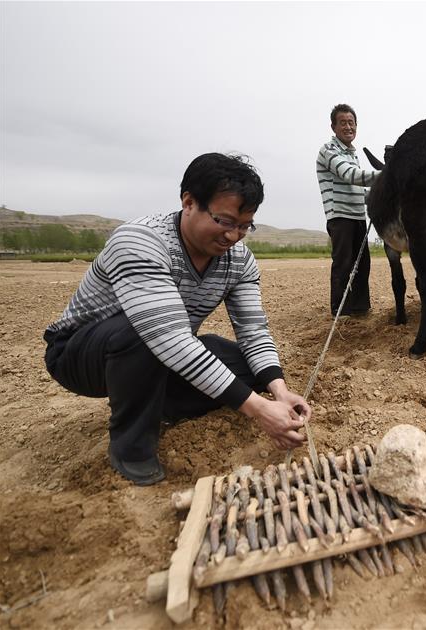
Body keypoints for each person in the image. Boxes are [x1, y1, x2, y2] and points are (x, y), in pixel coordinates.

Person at [43, 153, 310, 485]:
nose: (233, 236)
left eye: (244, 226)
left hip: (163, 352)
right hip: (83, 355)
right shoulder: (140, 242)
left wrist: (279, 391)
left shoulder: (240, 261)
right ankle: (132, 447)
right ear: (189, 202)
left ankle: (163, 400)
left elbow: (253, 330)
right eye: (225, 221)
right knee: (142, 332)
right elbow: (167, 337)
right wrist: (258, 409)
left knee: (249, 370)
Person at [316, 103, 378, 317]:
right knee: (343, 264)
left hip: (358, 215)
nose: (348, 127)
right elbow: (350, 175)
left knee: (363, 264)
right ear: (333, 127)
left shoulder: (353, 155)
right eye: (342, 123)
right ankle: (340, 310)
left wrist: (381, 194)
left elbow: (358, 190)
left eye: (351, 123)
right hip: (340, 215)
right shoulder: (329, 150)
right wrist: (388, 176)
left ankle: (360, 308)